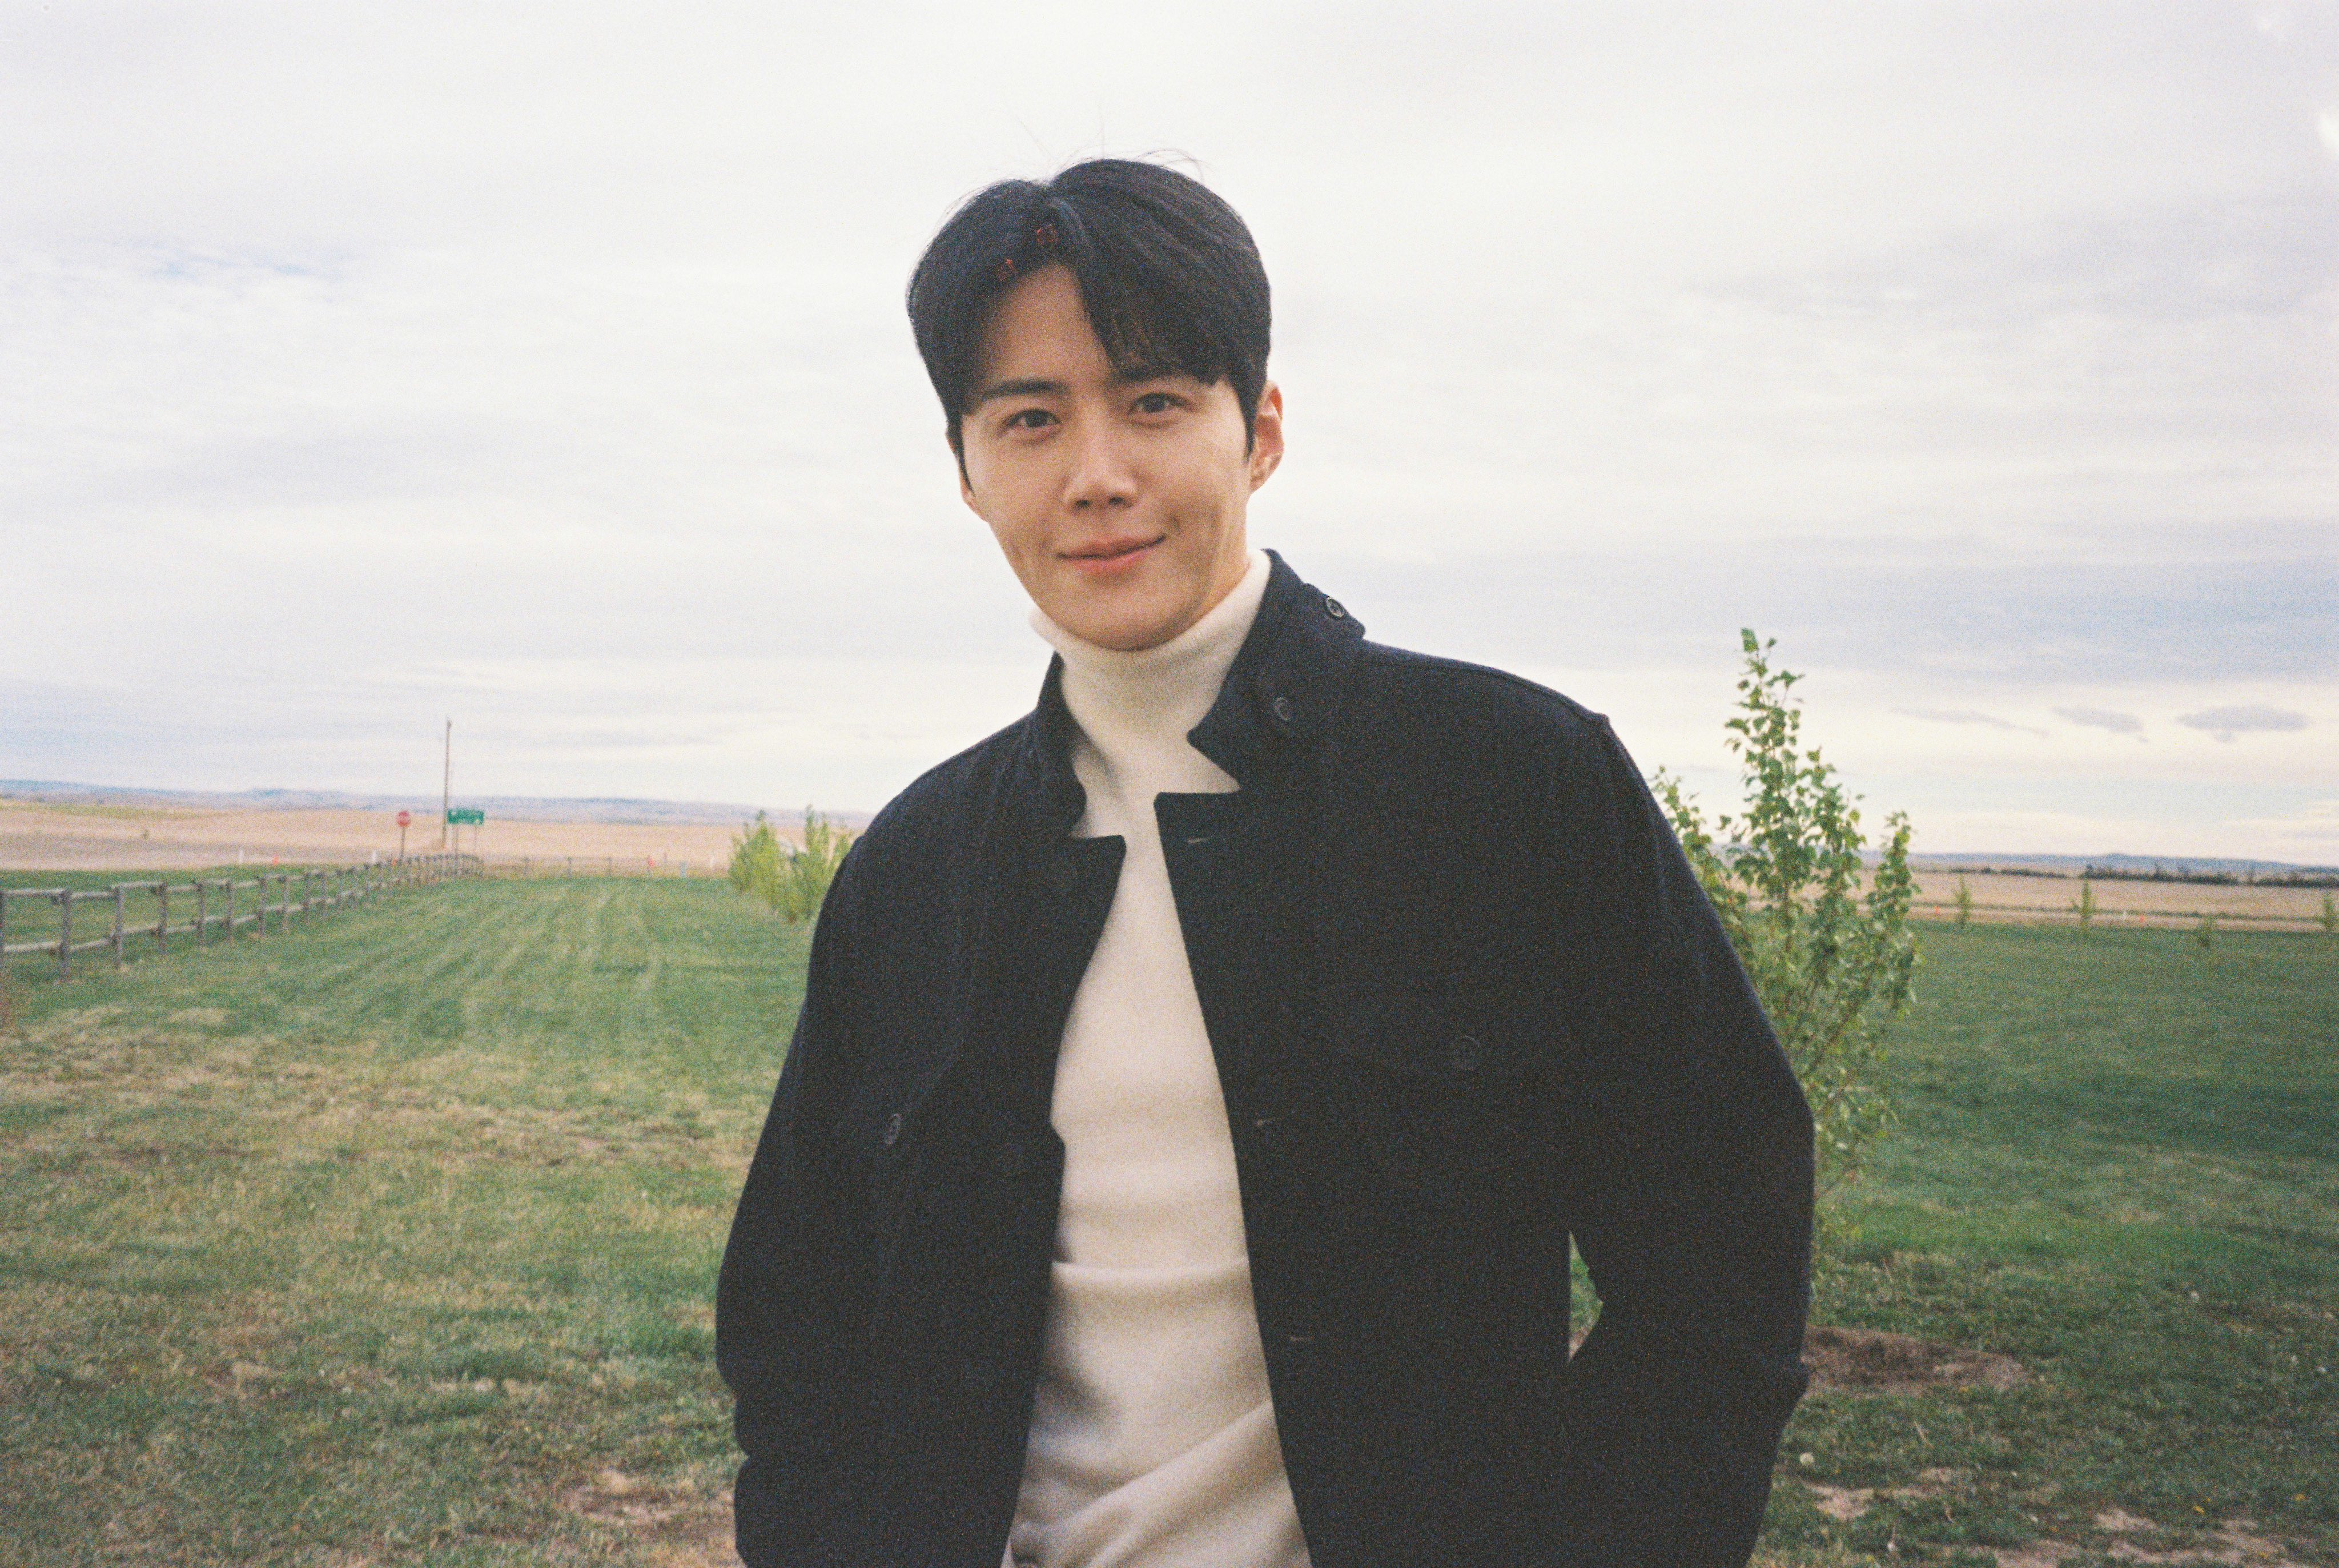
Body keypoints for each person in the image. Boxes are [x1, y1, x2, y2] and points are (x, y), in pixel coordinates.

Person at [717, 158, 1815, 1568]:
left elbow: (1719, 1275)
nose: (1096, 474)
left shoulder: (1509, 785)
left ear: (1262, 432)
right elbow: (794, 1325)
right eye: (1030, 418)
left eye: (1154, 401)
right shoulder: (918, 871)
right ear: (967, 470)